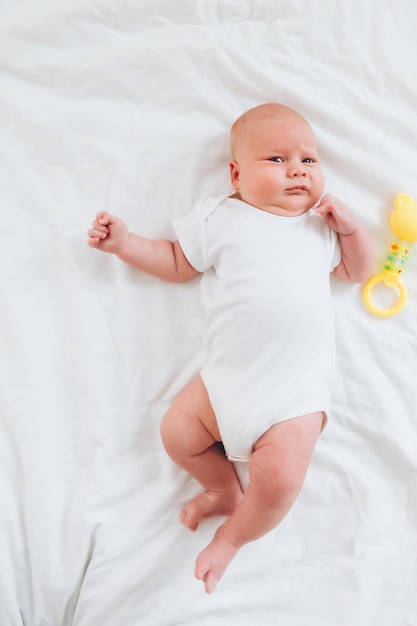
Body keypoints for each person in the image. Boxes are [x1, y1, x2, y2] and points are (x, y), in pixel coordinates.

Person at [87, 103, 374, 593]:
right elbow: (177, 260)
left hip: (292, 396)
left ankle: (232, 539)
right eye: (278, 160)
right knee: (176, 434)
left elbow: (355, 272)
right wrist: (127, 243)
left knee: (280, 480)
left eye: (309, 160)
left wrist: (352, 231)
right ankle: (222, 489)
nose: (298, 170)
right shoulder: (221, 217)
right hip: (223, 383)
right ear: (237, 175)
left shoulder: (319, 226)